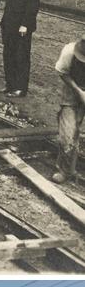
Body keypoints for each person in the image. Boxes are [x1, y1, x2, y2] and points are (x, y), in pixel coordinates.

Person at [0, 0, 40, 97]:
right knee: (8, 53)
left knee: (21, 56)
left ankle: (20, 88)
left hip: (21, 24)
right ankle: (10, 85)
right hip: (10, 22)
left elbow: (33, 2)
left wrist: (25, 24)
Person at [52, 35, 85, 184]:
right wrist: (79, 91)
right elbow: (62, 73)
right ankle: (64, 170)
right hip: (72, 92)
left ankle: (72, 167)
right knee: (68, 134)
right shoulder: (69, 51)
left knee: (77, 131)